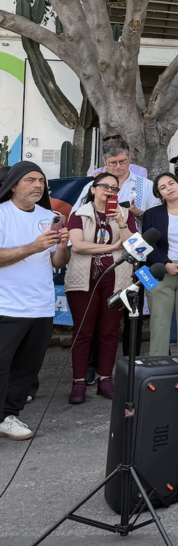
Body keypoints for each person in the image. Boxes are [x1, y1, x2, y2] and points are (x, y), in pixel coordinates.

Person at [0, 163, 69, 441]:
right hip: (6, 305)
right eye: (30, 180)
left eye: (41, 180)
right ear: (13, 185)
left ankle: (8, 416)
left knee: (27, 368)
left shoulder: (50, 216)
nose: (38, 185)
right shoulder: (2, 214)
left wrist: (61, 247)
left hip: (41, 305)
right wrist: (33, 247)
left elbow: (57, 261)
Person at [64, 173, 136, 403]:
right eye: (104, 186)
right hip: (84, 279)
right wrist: (113, 247)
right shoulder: (79, 214)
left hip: (115, 279)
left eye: (114, 188)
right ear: (93, 189)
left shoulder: (125, 215)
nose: (109, 191)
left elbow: (133, 247)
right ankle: (78, 382)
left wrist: (121, 223)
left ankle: (105, 379)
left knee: (110, 331)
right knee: (83, 332)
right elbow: (77, 246)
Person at [142, 173, 178, 361]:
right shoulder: (151, 214)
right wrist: (166, 264)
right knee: (159, 326)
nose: (169, 188)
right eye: (163, 187)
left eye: (171, 183)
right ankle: (158, 371)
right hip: (160, 272)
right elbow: (147, 245)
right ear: (159, 194)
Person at [74, 135, 160, 217]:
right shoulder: (93, 185)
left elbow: (158, 219)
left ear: (129, 158)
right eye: (113, 163)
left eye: (122, 161)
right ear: (105, 161)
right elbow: (74, 215)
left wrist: (139, 214)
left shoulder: (147, 185)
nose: (118, 166)